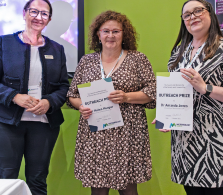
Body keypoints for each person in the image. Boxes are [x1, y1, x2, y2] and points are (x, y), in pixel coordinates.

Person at [155, 0, 223, 195]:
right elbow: (176, 92)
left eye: (198, 11)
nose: (192, 17)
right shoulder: (179, 51)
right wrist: (167, 116)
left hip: (219, 146)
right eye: (187, 15)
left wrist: (206, 88)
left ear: (209, 13)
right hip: (186, 146)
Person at [67, 10, 156, 195]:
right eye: (105, 31)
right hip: (95, 134)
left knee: (129, 190)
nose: (110, 35)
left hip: (129, 133)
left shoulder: (138, 59)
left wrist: (126, 97)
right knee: (98, 191)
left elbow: (152, 93)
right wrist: (81, 106)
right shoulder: (87, 61)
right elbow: (72, 94)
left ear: (124, 34)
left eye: (116, 31)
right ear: (98, 34)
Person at [0, 0, 69, 195]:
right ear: (24, 13)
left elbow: (62, 86)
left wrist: (49, 102)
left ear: (49, 19)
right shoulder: (3, 43)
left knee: (37, 180)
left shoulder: (57, 49)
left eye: (44, 14)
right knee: (7, 181)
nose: (38, 17)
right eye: (33, 11)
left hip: (43, 124)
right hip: (6, 122)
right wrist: (15, 96)